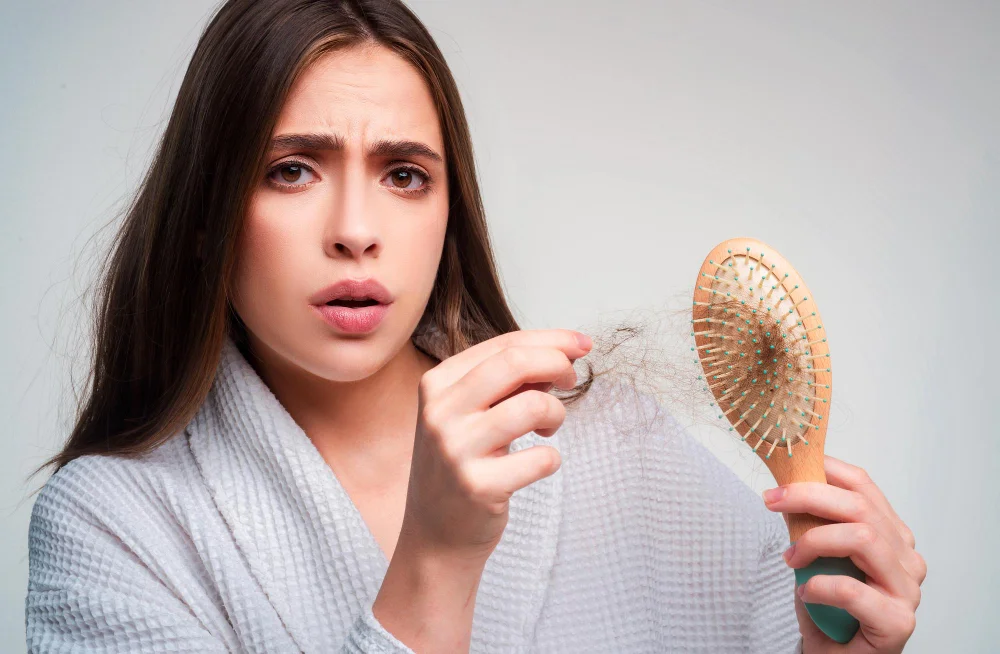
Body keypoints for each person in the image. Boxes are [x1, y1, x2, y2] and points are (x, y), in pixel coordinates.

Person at [24, 1, 924, 652]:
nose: (356, 229)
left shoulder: (611, 437)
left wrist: (839, 645)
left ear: (449, 217)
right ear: (202, 215)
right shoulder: (114, 524)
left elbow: (786, 629)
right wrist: (435, 565)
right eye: (293, 170)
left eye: (405, 175)